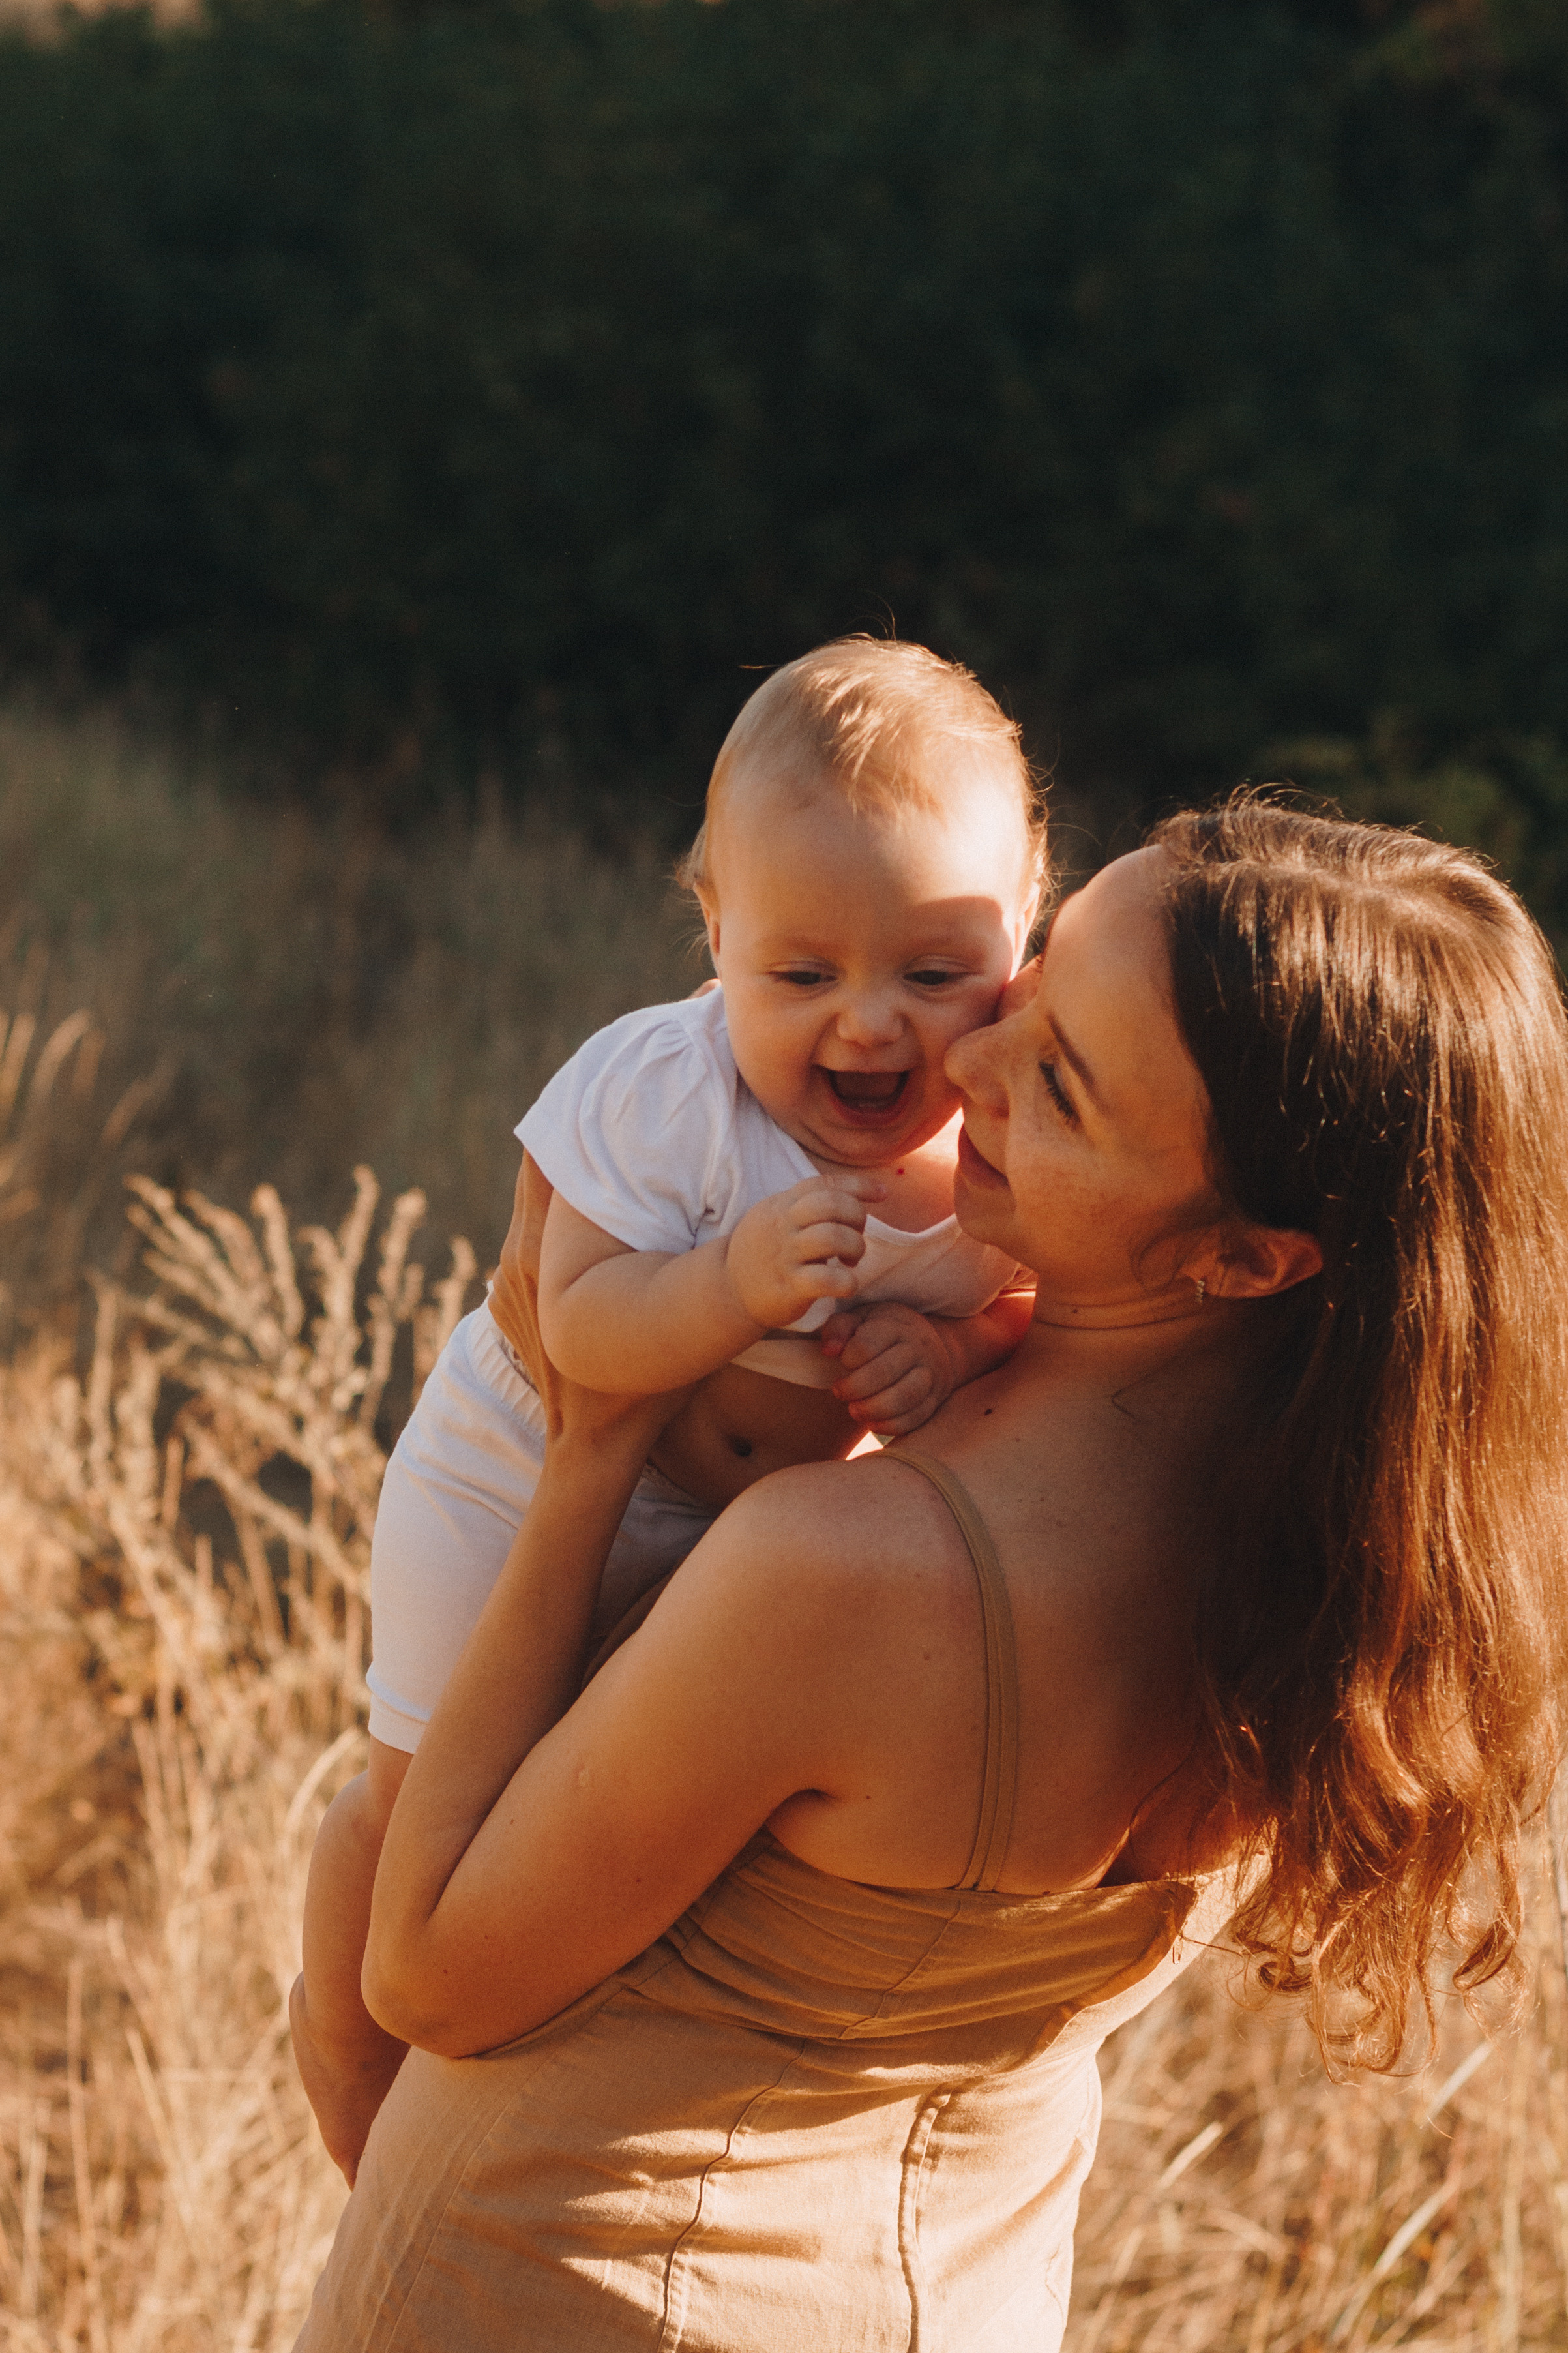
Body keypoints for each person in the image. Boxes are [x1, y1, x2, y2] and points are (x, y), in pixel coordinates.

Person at [295, 801, 1568, 2353]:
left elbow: (425, 1969)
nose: (964, 1071)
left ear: (1246, 1255)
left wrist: (589, 1449)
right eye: (1029, 987)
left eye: (1063, 1090)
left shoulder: (860, 1574)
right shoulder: (1334, 1592)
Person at [291, 637, 1045, 2181]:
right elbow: (578, 1324)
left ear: (1023, 935)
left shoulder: (1000, 1156)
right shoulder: (669, 1092)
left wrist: (951, 1361)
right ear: (715, 937)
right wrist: (732, 1283)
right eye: (802, 973)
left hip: (715, 1543)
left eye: (932, 969)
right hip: (514, 1472)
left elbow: (1025, 1309)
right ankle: (346, 2067)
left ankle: (486, 2096)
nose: (873, 1025)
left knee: (569, 1817)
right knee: (422, 1798)